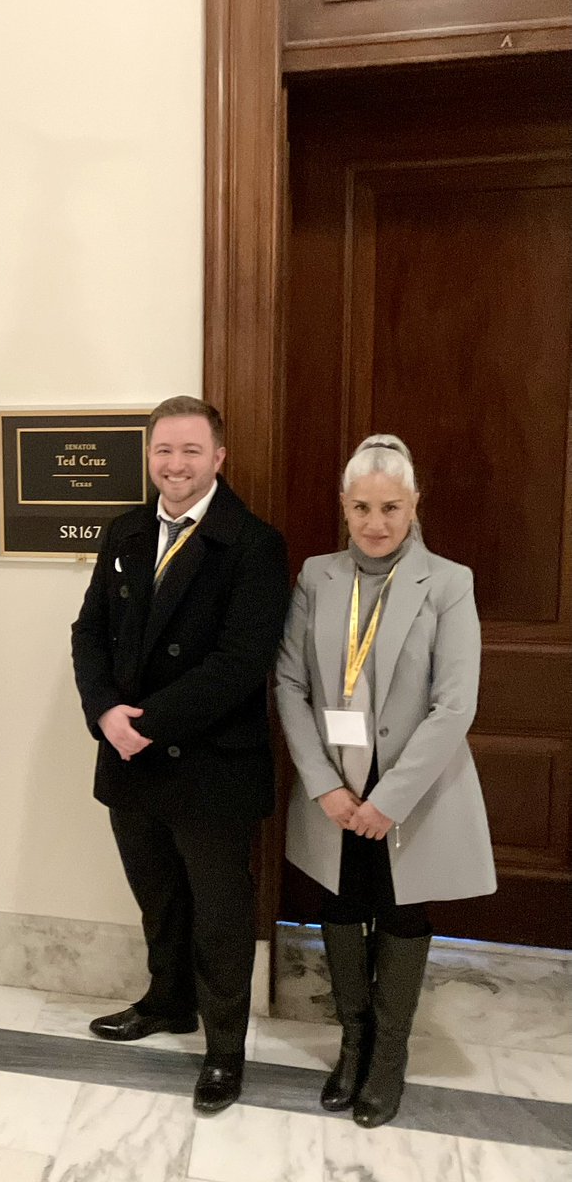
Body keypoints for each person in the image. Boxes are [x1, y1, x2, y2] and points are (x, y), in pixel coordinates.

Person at [71, 396, 289, 1114]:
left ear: (218, 458)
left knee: (220, 915)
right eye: (163, 450)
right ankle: (167, 1003)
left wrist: (147, 722)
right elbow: (89, 634)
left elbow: (239, 663)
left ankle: (225, 1051)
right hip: (129, 758)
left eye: (190, 451)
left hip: (210, 764)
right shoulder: (126, 531)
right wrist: (105, 712)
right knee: (158, 898)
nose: (175, 464)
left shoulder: (252, 544)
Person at [275, 434, 496, 1128]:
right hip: (334, 788)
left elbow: (454, 703)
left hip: (413, 791)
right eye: (362, 507)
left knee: (400, 912)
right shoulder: (317, 576)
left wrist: (387, 798)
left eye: (390, 508)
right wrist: (324, 785)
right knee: (339, 906)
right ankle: (354, 1040)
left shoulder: (448, 582)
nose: (375, 523)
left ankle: (388, 1054)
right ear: (343, 506)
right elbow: (288, 681)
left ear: (413, 506)